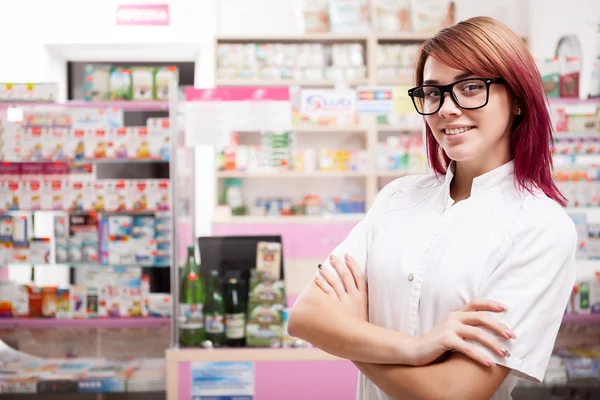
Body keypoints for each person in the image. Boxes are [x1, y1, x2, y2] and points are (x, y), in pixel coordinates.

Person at [288, 16, 576, 400]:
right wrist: (415, 347)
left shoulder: (540, 227)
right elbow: (306, 317)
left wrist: (353, 335)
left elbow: (453, 393)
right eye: (432, 92)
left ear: (520, 97)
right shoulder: (397, 199)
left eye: (471, 87)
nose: (447, 109)